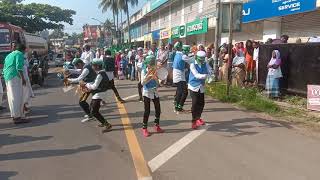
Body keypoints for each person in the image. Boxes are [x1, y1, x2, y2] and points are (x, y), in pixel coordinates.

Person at [81, 58, 112, 132]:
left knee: (94, 111)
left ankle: (107, 125)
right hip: (99, 93)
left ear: (97, 66)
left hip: (99, 94)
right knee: (93, 110)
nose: (92, 67)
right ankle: (103, 122)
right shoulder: (102, 73)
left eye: (93, 65)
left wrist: (86, 84)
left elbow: (94, 86)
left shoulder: (100, 75)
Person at [3, 43, 29, 124]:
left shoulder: (9, 55)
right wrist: (23, 79)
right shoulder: (19, 54)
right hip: (15, 77)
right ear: (23, 50)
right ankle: (17, 117)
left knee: (11, 97)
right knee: (17, 97)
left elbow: (4, 67)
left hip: (8, 77)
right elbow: (19, 67)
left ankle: (16, 115)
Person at [140, 55, 164, 137]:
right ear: (147, 64)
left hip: (154, 91)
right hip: (147, 92)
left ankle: (156, 125)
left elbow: (158, 82)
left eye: (153, 63)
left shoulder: (155, 70)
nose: (152, 65)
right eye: (151, 63)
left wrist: (158, 80)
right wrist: (149, 76)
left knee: (158, 109)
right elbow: (142, 83)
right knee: (147, 111)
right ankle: (144, 128)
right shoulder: (144, 71)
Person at [188, 51, 212, 129]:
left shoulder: (205, 63)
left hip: (201, 86)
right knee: (195, 103)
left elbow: (210, 70)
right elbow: (197, 75)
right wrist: (207, 76)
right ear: (196, 58)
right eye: (200, 59)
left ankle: (198, 118)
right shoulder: (192, 64)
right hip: (193, 86)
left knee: (201, 103)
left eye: (203, 59)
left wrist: (211, 74)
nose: (202, 61)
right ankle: (193, 121)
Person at [68, 58, 97, 122]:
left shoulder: (86, 69)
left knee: (81, 101)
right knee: (83, 101)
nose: (76, 67)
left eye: (76, 66)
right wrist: (69, 70)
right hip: (89, 85)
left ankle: (90, 115)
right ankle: (90, 113)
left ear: (79, 64)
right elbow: (79, 71)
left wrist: (69, 80)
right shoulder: (85, 66)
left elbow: (79, 79)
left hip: (89, 86)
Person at [173, 42, 190, 113]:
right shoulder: (183, 55)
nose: (188, 52)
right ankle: (179, 108)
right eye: (188, 50)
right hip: (179, 76)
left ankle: (177, 107)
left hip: (179, 75)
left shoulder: (177, 53)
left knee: (179, 92)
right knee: (185, 92)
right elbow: (191, 61)